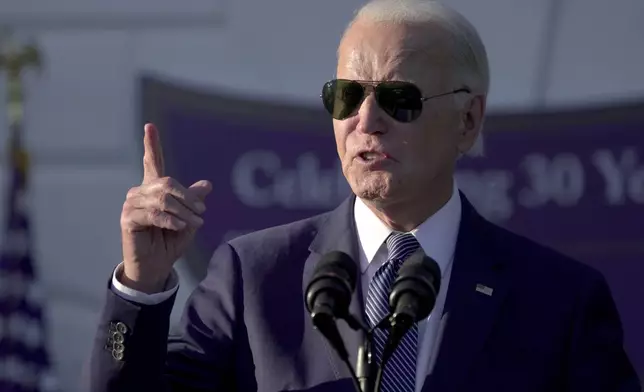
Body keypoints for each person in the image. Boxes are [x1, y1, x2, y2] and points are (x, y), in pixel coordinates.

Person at [85, 0, 640, 391]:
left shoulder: (560, 301)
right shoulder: (251, 277)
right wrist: (141, 288)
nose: (366, 121)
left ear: (467, 121)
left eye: (400, 98)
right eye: (347, 95)